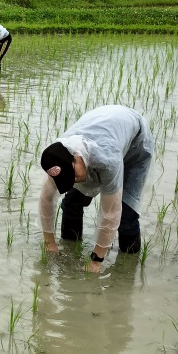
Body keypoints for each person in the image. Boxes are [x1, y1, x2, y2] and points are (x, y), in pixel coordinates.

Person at [38, 105, 153, 273]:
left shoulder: (108, 160)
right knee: (72, 202)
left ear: (76, 158)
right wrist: (49, 243)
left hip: (136, 146)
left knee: (126, 215)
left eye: (72, 175)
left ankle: (127, 271)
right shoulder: (57, 155)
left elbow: (111, 214)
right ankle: (70, 251)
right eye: (67, 178)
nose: (73, 181)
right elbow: (46, 198)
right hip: (103, 130)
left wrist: (96, 261)